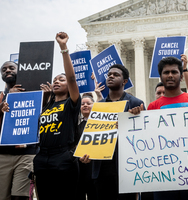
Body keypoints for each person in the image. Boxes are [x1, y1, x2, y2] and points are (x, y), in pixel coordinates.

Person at [80, 64, 144, 200]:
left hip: (127, 170)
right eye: (109, 75)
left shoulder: (136, 103)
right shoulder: (98, 106)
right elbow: (94, 135)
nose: (111, 76)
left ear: (124, 81)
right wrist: (86, 154)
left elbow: (144, 135)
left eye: (116, 75)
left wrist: (133, 119)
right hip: (101, 170)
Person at [148, 56, 188, 200]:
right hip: (164, 175)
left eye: (174, 72)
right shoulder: (152, 107)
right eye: (166, 72)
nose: (170, 75)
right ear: (161, 77)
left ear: (181, 76)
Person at [33, 32, 81, 200]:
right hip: (42, 158)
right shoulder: (47, 106)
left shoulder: (71, 104)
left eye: (61, 79)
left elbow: (72, 78)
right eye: (55, 80)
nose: (57, 81)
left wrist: (63, 48)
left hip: (63, 158)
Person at [0, 61, 38, 200]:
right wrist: (8, 96)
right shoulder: (0, 96)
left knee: (20, 197)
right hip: (2, 155)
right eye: (4, 69)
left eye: (11, 68)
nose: (7, 70)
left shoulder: (34, 94)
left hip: (26, 154)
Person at [76, 95, 97, 200]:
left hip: (95, 166)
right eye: (82, 104)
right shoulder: (75, 126)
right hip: (79, 167)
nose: (85, 105)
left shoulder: (100, 124)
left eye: (88, 103)